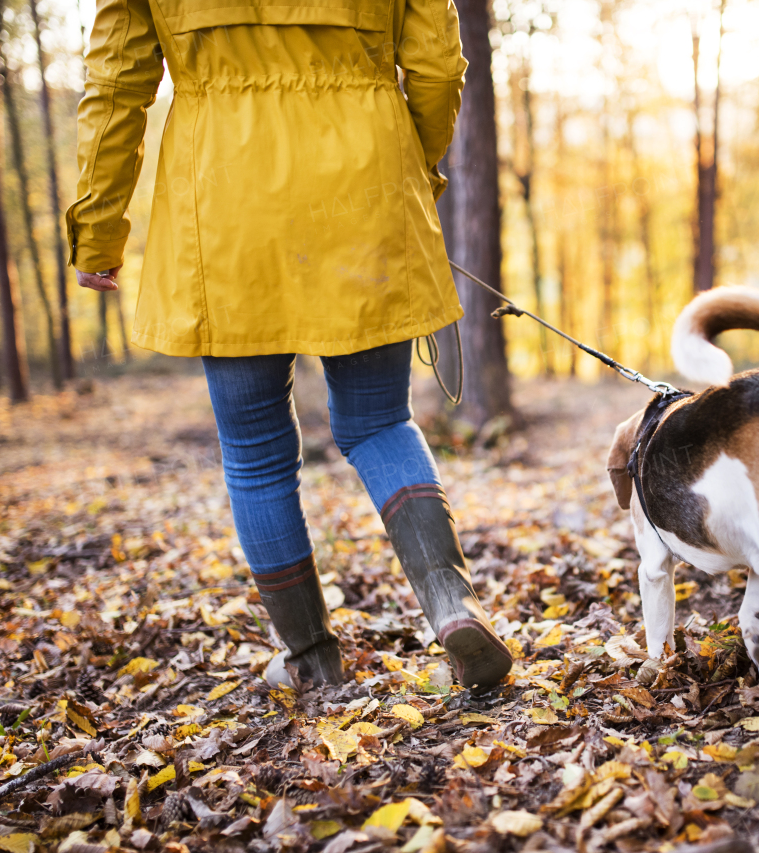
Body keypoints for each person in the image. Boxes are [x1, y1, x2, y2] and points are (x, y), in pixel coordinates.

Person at [67, 0, 512, 691]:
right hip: (362, 187)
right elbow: (435, 66)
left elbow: (115, 81)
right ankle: (451, 604)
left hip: (223, 204)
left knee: (254, 451)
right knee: (379, 421)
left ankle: (311, 658)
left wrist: (98, 225)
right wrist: (407, 173)